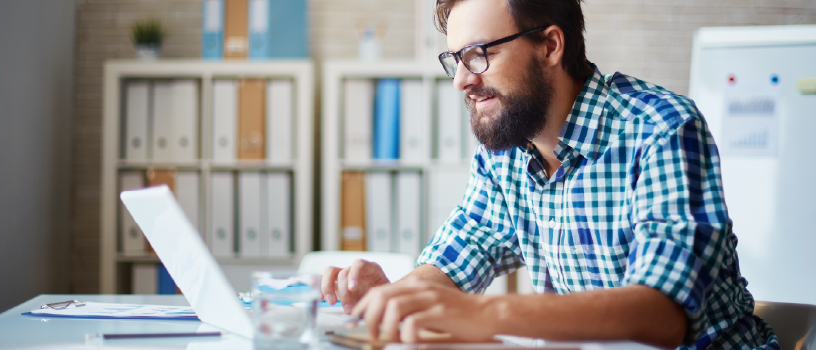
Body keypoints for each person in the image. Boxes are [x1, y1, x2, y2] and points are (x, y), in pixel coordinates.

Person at [321, 0, 779, 348]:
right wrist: (396, 300)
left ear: (550, 45)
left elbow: (662, 315)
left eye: (478, 54)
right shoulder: (507, 149)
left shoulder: (661, 128)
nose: (461, 79)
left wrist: (482, 314)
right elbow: (458, 258)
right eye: (454, 60)